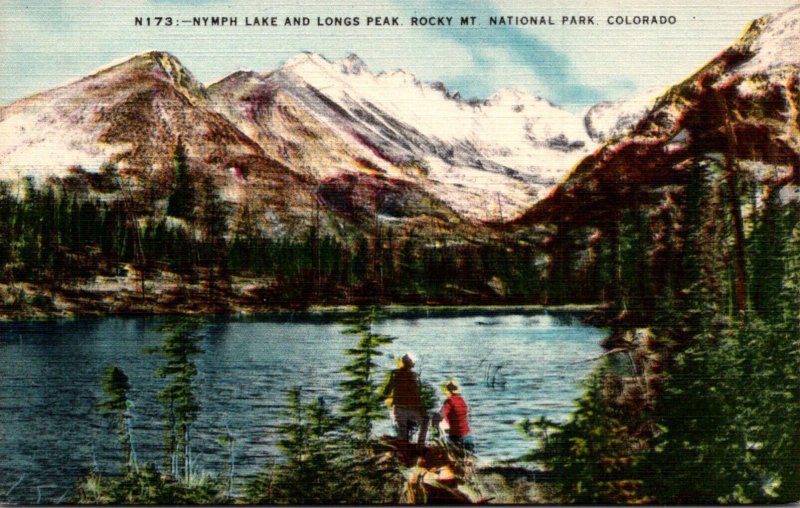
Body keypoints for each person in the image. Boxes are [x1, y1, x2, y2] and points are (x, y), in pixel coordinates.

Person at [380, 352, 427, 444]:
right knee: (425, 421)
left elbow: (387, 391)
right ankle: (420, 445)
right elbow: (417, 395)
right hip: (411, 410)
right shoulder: (414, 376)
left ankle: (403, 447)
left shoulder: (395, 374)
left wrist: (378, 400)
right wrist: (422, 409)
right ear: (410, 364)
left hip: (398, 409)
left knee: (403, 434)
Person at [439, 378, 475, 452]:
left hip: (455, 437)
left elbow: (442, 414)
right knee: (471, 459)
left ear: (448, 391)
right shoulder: (462, 400)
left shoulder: (449, 401)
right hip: (467, 435)